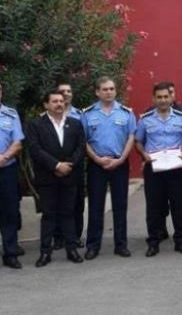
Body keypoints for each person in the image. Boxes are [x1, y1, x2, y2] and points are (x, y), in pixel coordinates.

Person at [27, 89, 86, 267]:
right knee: (48, 215)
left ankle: (71, 249)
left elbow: (81, 147)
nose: (59, 104)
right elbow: (35, 149)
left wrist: (68, 165)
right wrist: (56, 165)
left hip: (70, 175)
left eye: (61, 101)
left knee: (68, 213)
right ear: (46, 104)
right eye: (55, 101)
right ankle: (45, 252)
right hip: (47, 177)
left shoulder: (75, 124)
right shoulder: (36, 124)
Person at [134, 82, 182, 257]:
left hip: (176, 167)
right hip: (154, 168)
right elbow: (138, 141)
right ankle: (153, 242)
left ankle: (180, 240)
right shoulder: (145, 119)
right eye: (159, 97)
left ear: (171, 97)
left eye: (166, 96)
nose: (163, 100)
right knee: (154, 206)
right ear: (154, 99)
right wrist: (144, 155)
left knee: (179, 205)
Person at [82, 76, 136, 259]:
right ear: (97, 92)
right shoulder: (87, 114)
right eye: (104, 89)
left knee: (120, 205)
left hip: (119, 163)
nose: (109, 92)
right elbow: (83, 141)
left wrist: (120, 159)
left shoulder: (126, 113)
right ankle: (93, 246)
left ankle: (121, 244)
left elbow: (131, 138)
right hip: (97, 164)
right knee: (96, 206)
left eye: (111, 89)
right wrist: (97, 159)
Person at [52, 80, 85, 250]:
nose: (65, 94)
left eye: (68, 91)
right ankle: (58, 238)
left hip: (75, 167)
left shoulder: (80, 115)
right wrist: (57, 165)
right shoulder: (47, 117)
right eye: (62, 91)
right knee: (57, 203)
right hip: (54, 168)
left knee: (77, 204)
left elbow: (82, 143)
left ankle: (75, 236)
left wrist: (71, 163)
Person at [0, 81, 23, 269]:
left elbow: (18, 142)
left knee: (9, 212)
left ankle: (10, 253)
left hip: (7, 169)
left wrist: (4, 156)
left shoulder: (11, 114)